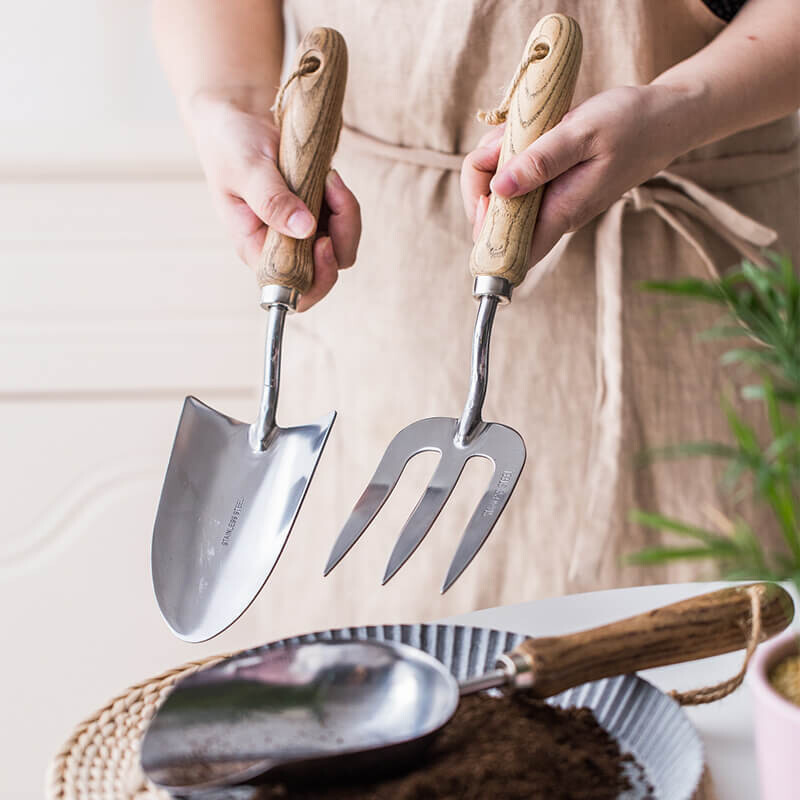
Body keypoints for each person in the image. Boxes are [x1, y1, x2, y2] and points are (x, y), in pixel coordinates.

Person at [153, 0, 799, 639]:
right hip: (388, 299)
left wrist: (680, 106)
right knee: (383, 688)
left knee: (708, 674)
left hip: (696, 313)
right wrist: (225, 104)